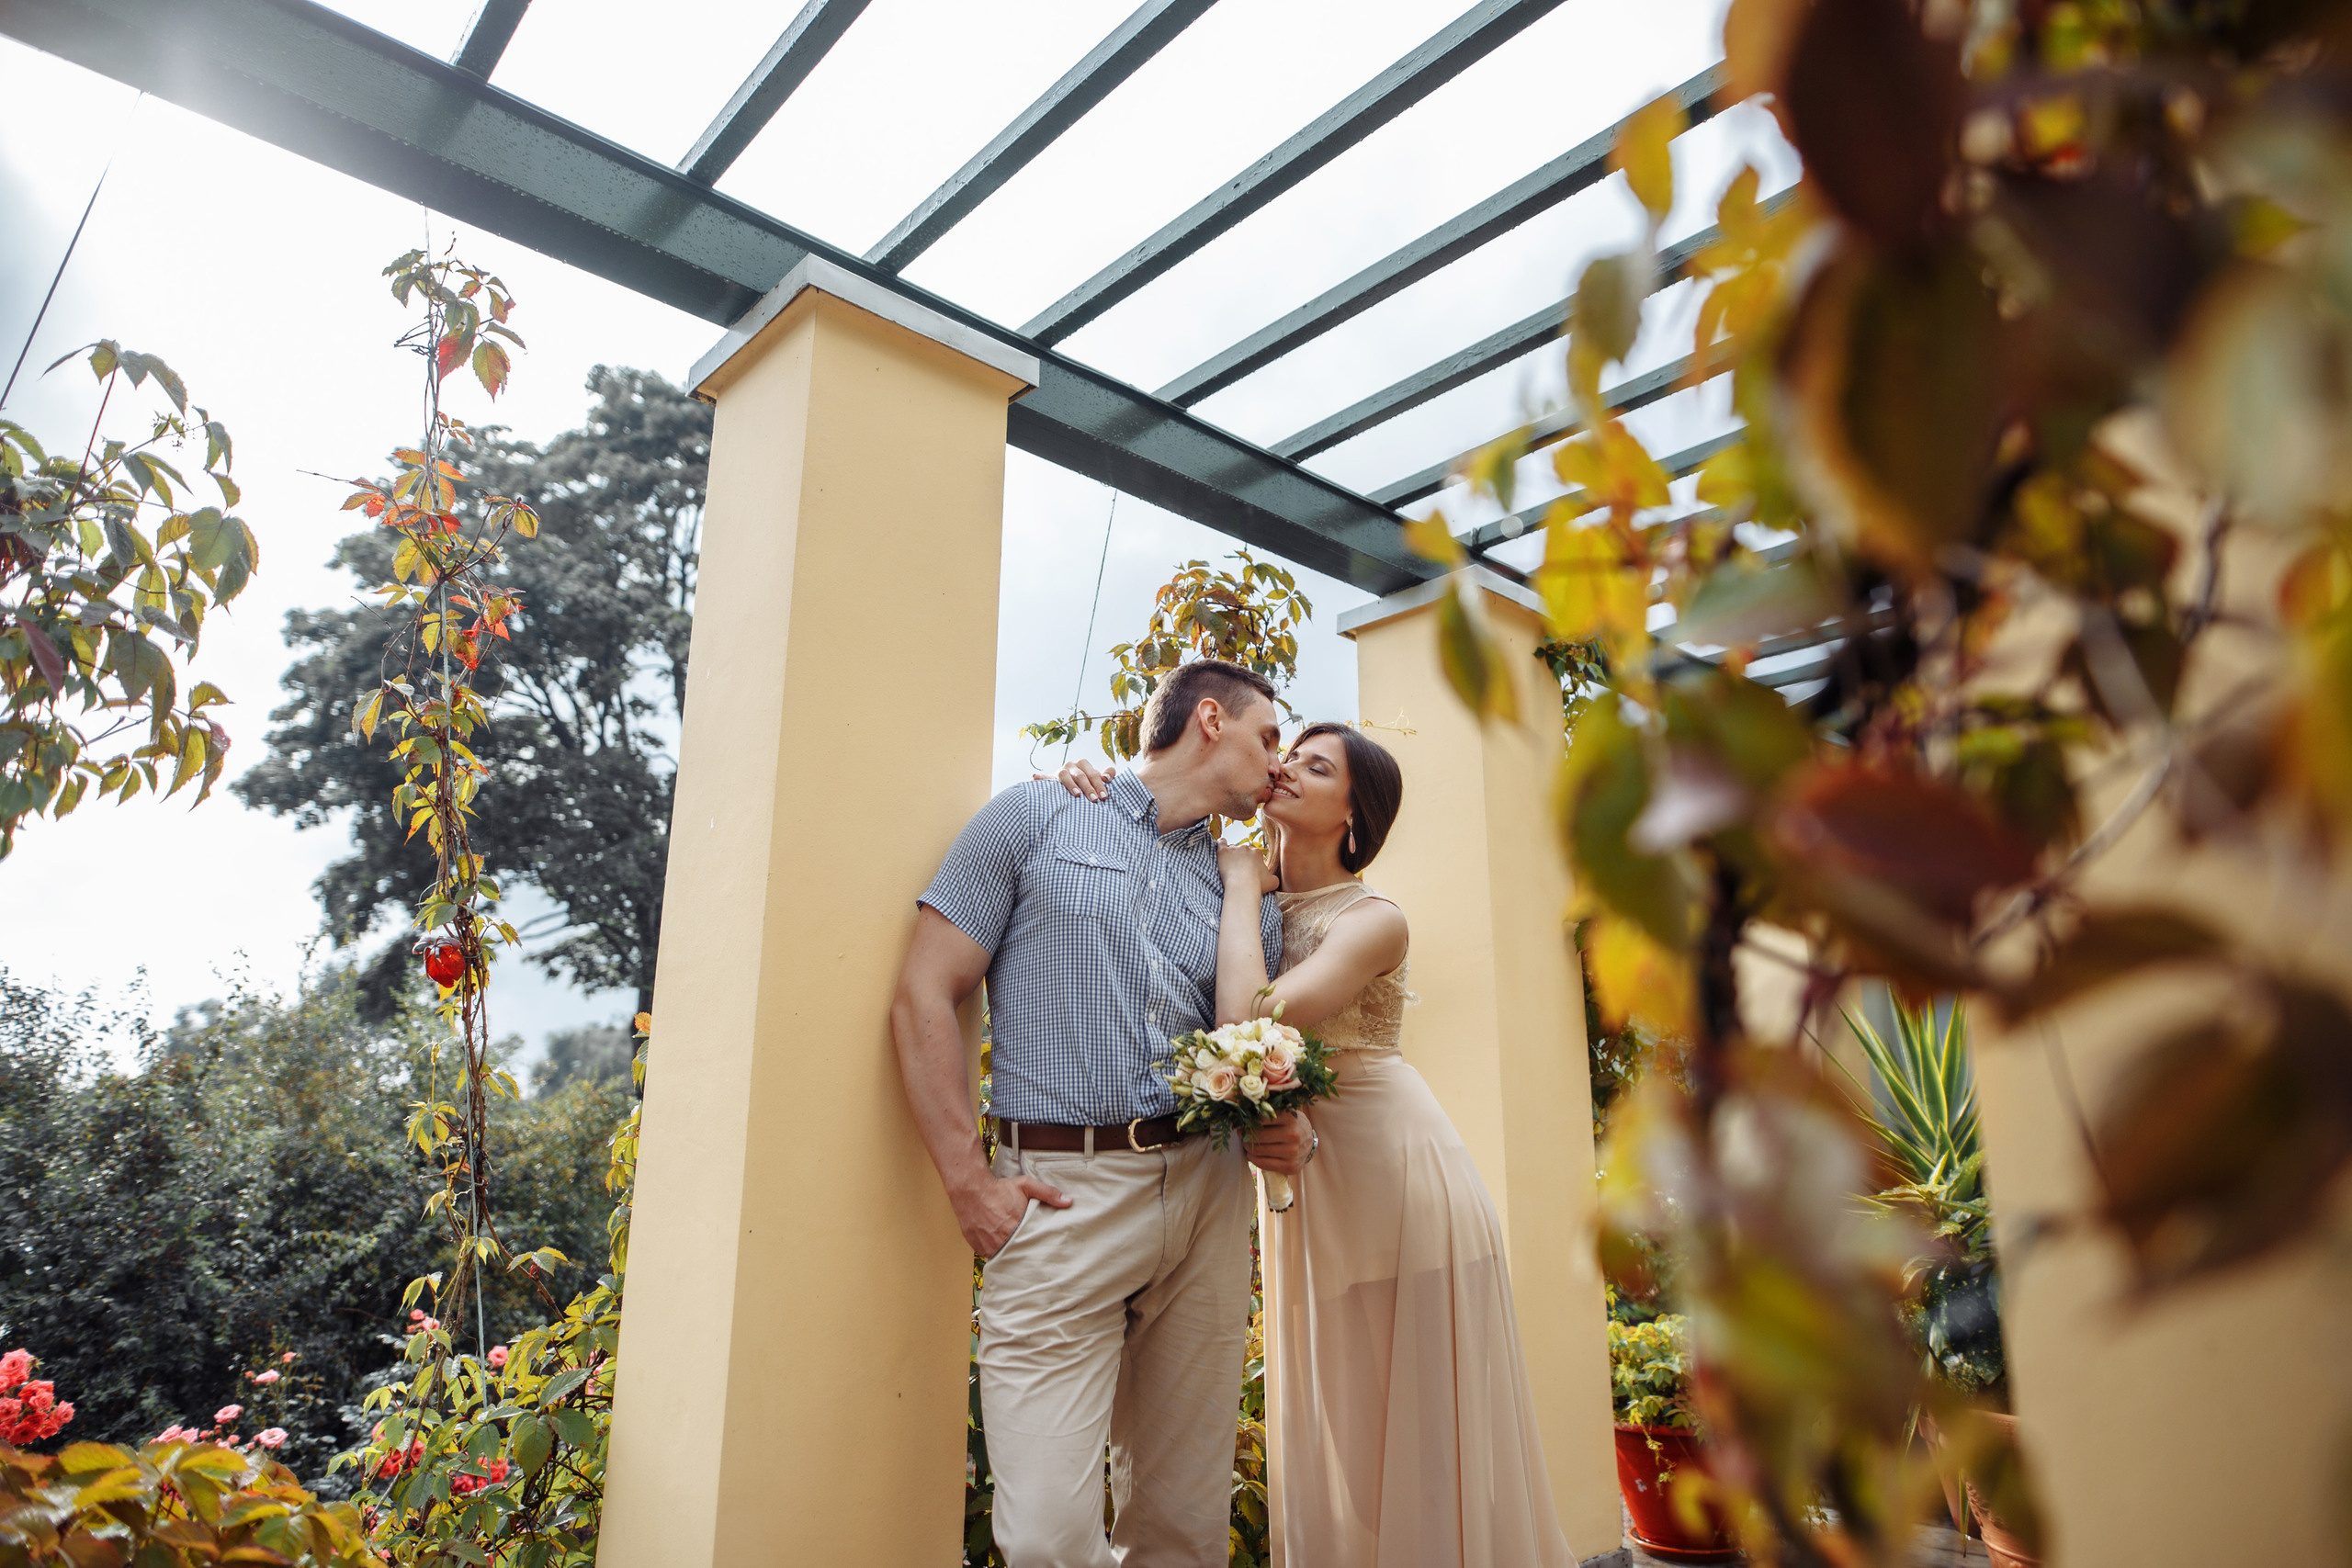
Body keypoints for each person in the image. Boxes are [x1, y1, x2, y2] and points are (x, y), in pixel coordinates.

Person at [1054, 725, 1572, 1568]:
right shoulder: (1246, 888)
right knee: (1339, 1426)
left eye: (1316, 765)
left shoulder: (1375, 919)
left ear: (1354, 820)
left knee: (1416, 1440)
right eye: (1290, 751)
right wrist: (1092, 776)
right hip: (1309, 1186)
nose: (1287, 765)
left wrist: (1237, 883)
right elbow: (1148, 808)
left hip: (1403, 1188)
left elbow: (1248, 1017)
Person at [891, 658, 1311, 1568]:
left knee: (1184, 1527)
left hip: (1204, 1198)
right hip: (1061, 1195)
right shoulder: (1037, 814)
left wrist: (1280, 1119)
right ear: (1210, 719)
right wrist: (968, 1181)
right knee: (1045, 1540)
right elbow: (924, 992)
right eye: (1268, 738)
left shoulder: (1242, 893)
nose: (1278, 765)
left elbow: (1244, 1039)